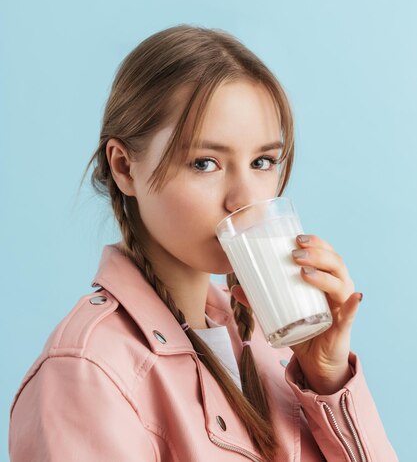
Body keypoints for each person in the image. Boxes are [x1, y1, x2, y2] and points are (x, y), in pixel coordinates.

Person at [9, 25, 398, 462]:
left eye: (262, 161)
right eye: (205, 163)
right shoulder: (88, 372)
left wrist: (327, 381)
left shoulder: (274, 348)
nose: (244, 199)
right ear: (124, 167)